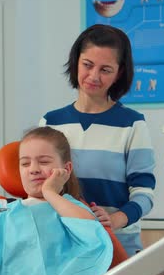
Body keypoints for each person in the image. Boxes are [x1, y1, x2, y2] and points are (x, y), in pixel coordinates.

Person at [39, 24, 156, 256]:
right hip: (65, 249)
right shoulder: (50, 123)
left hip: (118, 248)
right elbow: (39, 188)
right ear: (76, 62)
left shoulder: (132, 124)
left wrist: (115, 220)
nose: (93, 76)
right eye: (87, 65)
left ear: (119, 73)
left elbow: (144, 194)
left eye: (105, 69)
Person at [0, 126, 113, 275]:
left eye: (44, 162)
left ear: (66, 169)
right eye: (25, 163)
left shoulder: (70, 208)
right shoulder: (1, 213)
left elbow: (94, 240)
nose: (33, 169)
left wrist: (49, 192)